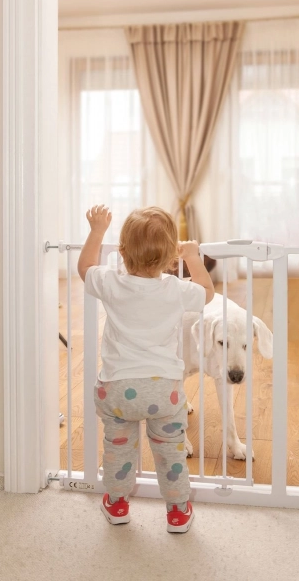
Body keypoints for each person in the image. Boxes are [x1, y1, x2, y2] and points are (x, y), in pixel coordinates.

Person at [77, 204, 215, 533]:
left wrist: (97, 232)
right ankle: (178, 510)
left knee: (118, 449)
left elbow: (85, 268)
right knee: (170, 452)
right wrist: (192, 256)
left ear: (122, 252)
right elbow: (207, 293)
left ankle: (118, 503)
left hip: (117, 389)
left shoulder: (110, 282)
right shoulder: (175, 289)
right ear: (171, 257)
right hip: (162, 391)